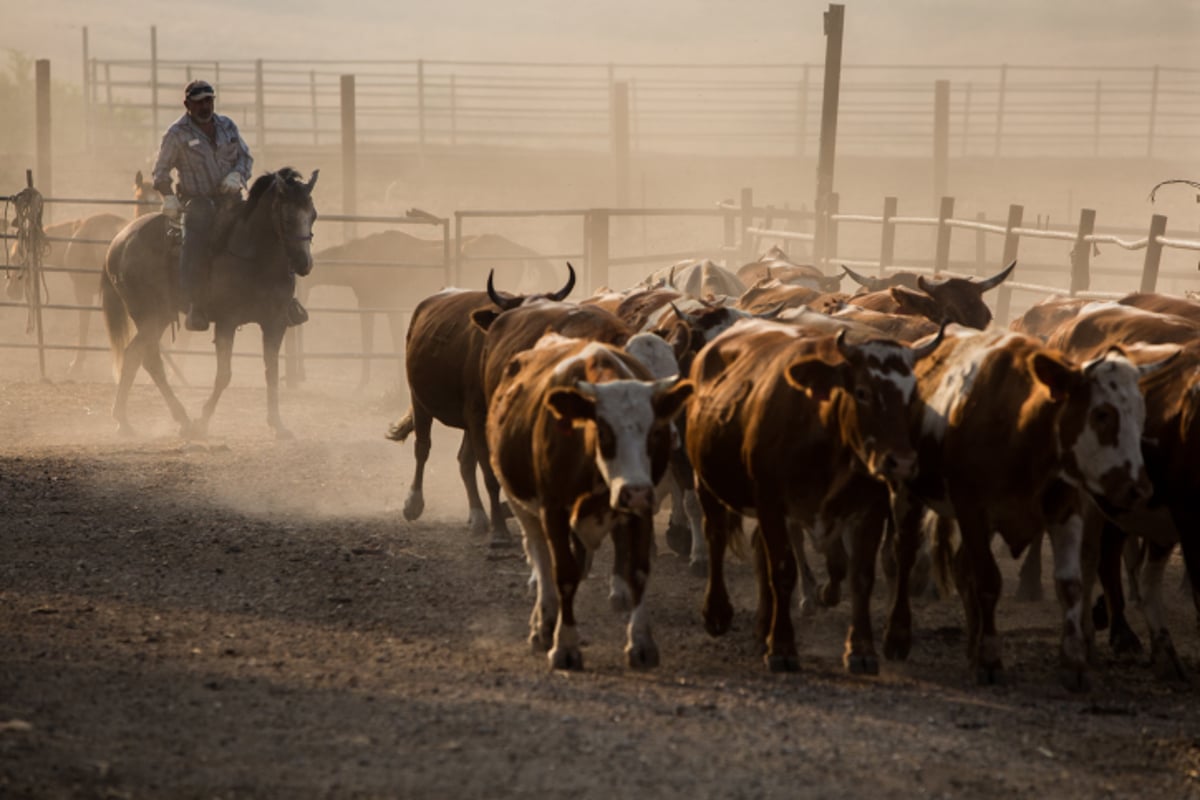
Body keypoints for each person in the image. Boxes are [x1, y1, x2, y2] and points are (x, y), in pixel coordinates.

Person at [151, 79, 307, 331]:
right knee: (196, 238)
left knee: (268, 229)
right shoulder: (176, 134)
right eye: (200, 102)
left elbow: (245, 157)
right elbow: (160, 172)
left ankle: (285, 297)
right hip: (198, 200)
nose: (205, 106)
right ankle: (196, 303)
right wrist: (168, 195)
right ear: (187, 104)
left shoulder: (227, 126)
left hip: (230, 198)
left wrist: (238, 175)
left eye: (209, 100)